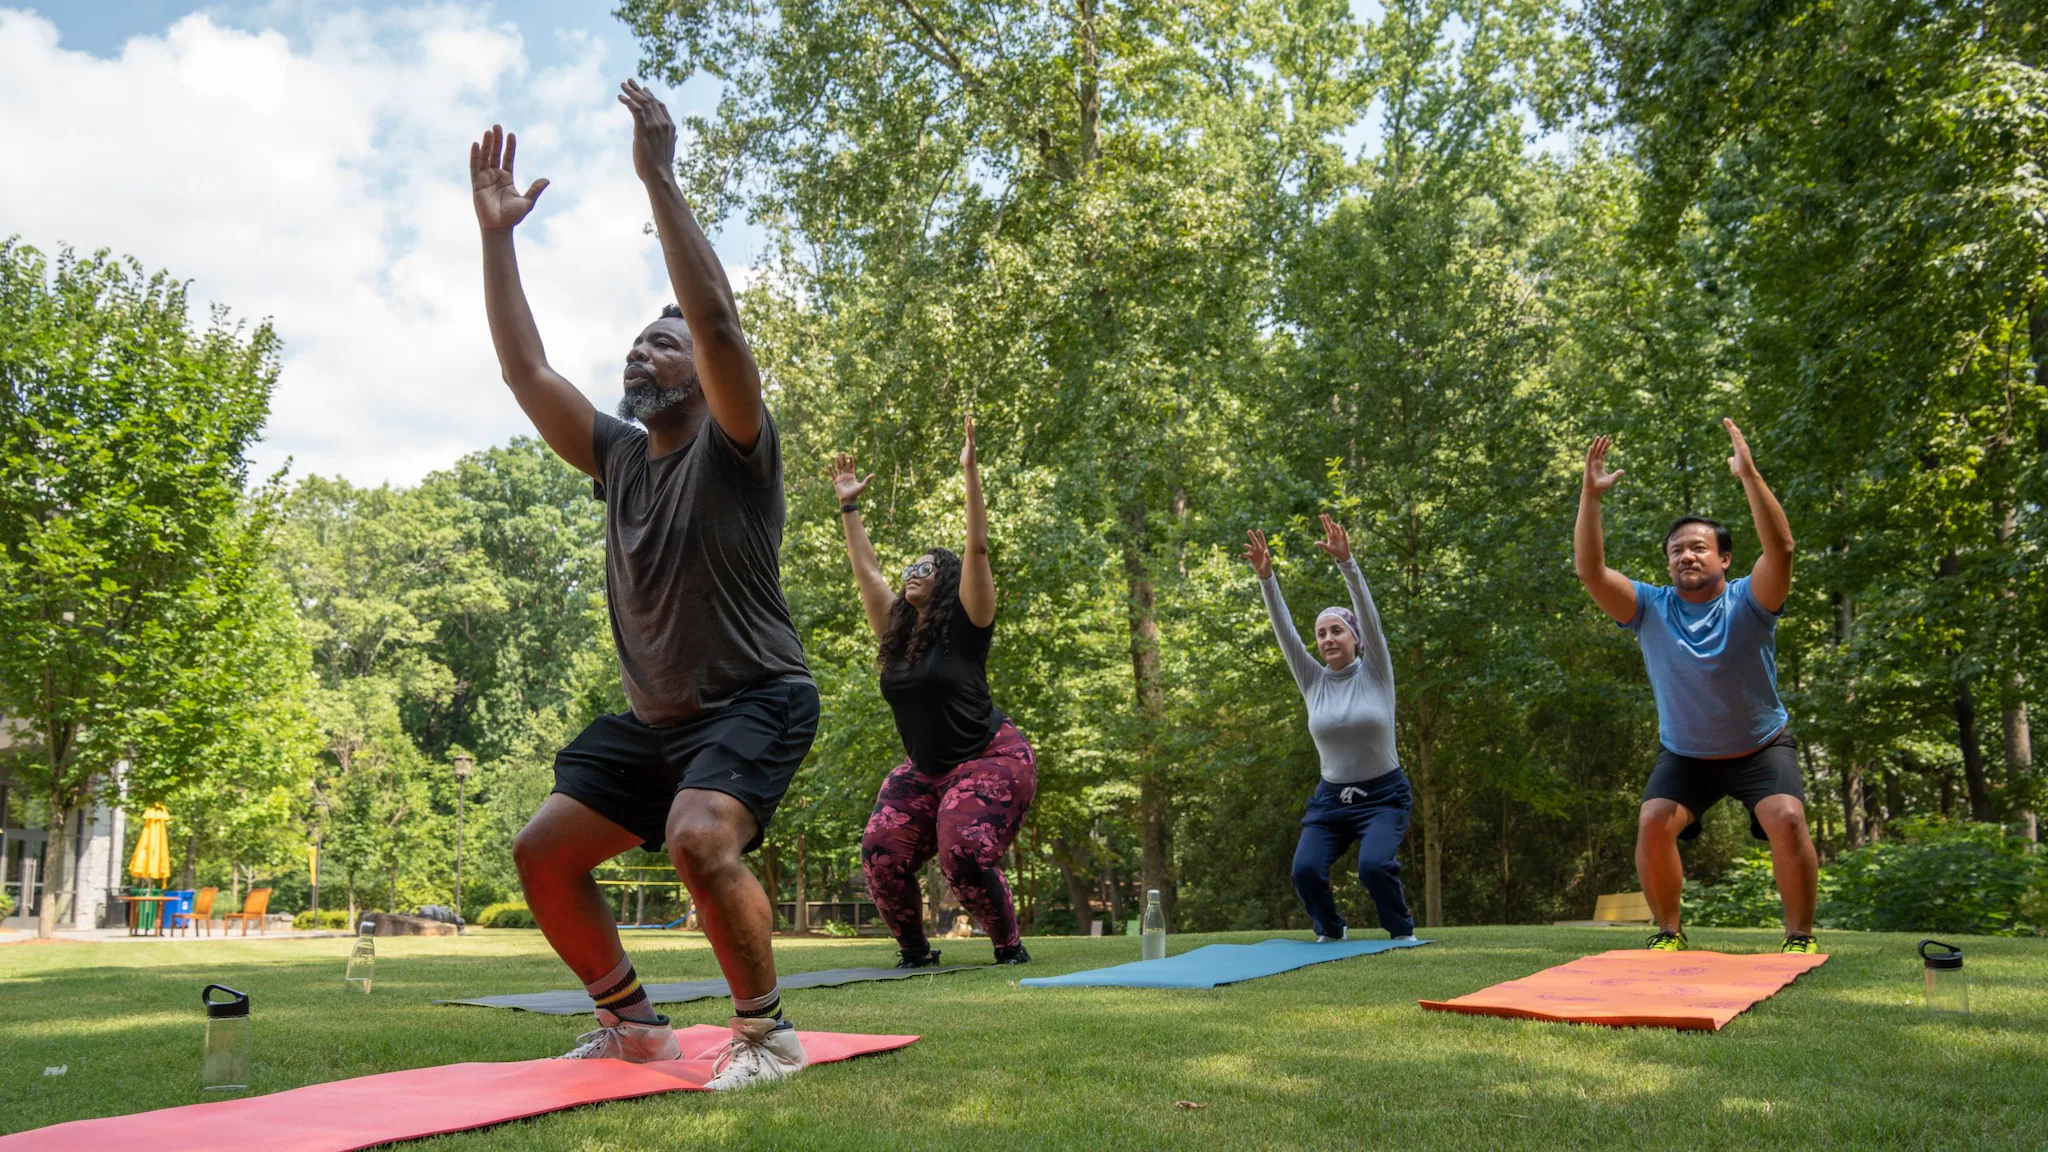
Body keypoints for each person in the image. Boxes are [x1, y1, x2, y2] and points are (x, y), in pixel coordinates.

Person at [471, 81, 820, 1088]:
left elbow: (717, 324)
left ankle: (766, 1036)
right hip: (658, 719)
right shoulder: (618, 457)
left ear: (699, 373)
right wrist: (498, 238)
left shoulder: (736, 445)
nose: (643, 349)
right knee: (542, 852)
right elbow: (524, 368)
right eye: (636, 340)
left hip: (756, 699)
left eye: (660, 343)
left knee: (697, 837)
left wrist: (658, 177)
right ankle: (633, 1024)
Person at [1573, 420, 1820, 954]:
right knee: (1654, 819)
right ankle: (1669, 932)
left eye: (1699, 548)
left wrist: (1749, 475)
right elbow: (1590, 572)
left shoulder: (1749, 600)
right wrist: (1590, 497)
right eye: (1676, 550)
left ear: (1724, 559)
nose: (1686, 555)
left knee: (1788, 816)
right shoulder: (1649, 609)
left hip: (1760, 746)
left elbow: (1782, 549)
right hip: (1686, 753)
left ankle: (1798, 936)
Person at [832, 416, 1038, 968]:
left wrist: (970, 473)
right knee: (880, 852)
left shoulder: (968, 624)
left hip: (991, 757)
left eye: (926, 568)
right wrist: (849, 507)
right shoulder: (896, 635)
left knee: (964, 849)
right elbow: (867, 571)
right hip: (924, 768)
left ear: (944, 582)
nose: (912, 573)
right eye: (911, 567)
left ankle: (1007, 946)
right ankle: (916, 954)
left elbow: (976, 547)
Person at [1244, 515, 1417, 943]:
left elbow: (1368, 614)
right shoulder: (1313, 681)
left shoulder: (1376, 672)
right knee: (1304, 869)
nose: (1327, 639)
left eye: (1336, 630)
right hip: (1331, 801)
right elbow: (1285, 634)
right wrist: (1267, 579)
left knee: (1373, 867)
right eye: (1321, 634)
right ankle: (1331, 930)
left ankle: (1401, 932)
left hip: (1384, 797)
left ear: (1356, 638)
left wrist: (1348, 564)